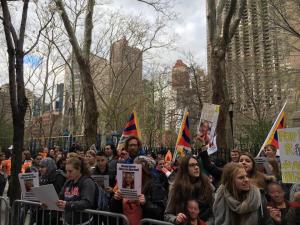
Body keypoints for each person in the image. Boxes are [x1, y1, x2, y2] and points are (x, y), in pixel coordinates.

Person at [213, 162, 278, 225]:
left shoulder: (257, 197)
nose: (246, 180)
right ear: (230, 181)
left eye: (246, 176)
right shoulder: (221, 197)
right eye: (241, 177)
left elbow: (267, 222)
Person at [111, 156, 167, 225]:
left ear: (145, 171)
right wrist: (116, 199)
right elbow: (113, 209)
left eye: (138, 169)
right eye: (133, 168)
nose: (135, 171)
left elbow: (160, 212)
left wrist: (145, 203)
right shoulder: (127, 183)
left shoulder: (155, 186)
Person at [164, 156, 214, 224]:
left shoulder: (207, 186)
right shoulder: (176, 188)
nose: (196, 167)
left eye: (197, 165)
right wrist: (176, 219)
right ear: (184, 169)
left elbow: (213, 214)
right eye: (191, 165)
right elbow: (167, 215)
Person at [57, 157, 96, 225]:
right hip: (67, 221)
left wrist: (68, 204)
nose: (68, 174)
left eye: (70, 171)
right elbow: (60, 197)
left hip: (84, 222)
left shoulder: (87, 182)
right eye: (66, 171)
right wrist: (49, 203)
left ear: (79, 169)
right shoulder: (68, 182)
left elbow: (86, 202)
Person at [38, 157, 66, 225]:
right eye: (39, 167)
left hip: (55, 212)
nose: (40, 169)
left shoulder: (59, 176)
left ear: (49, 166)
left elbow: (59, 194)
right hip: (45, 210)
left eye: (42, 167)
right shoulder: (43, 177)